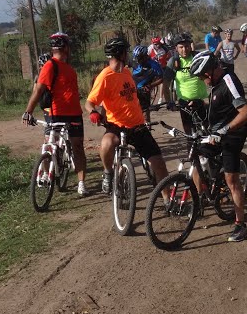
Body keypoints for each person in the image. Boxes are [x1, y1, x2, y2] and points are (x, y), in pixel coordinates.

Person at [85, 36, 170, 196]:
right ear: (121, 54)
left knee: (158, 163)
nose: (129, 54)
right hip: (117, 125)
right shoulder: (105, 76)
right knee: (106, 143)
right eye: (126, 51)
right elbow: (89, 102)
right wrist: (94, 112)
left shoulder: (126, 73)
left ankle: (167, 200)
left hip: (137, 125)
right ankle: (108, 172)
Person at [188, 50, 247, 242]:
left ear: (209, 72)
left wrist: (224, 130)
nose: (202, 81)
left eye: (201, 77)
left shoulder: (229, 81)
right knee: (198, 156)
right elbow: (221, 101)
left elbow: (246, 113)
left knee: (231, 178)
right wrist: (201, 103)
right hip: (218, 131)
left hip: (235, 132)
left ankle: (241, 225)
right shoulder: (216, 83)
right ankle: (199, 200)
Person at [22, 32, 88, 195]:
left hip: (74, 114)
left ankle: (81, 183)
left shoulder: (69, 69)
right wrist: (28, 111)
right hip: (57, 114)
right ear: (65, 47)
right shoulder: (50, 66)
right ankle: (47, 173)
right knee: (51, 144)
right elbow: (38, 90)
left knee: (77, 147)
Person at [167, 32, 208, 134]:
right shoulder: (173, 61)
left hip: (202, 101)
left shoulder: (198, 57)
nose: (184, 49)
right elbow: (165, 83)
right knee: (189, 135)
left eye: (187, 46)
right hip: (184, 104)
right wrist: (170, 102)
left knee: (207, 132)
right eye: (181, 47)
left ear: (191, 46)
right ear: (176, 48)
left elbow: (210, 78)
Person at [131, 44, 163, 121]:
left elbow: (161, 78)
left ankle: (147, 128)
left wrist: (150, 85)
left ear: (145, 56)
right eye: (136, 58)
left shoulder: (153, 65)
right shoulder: (134, 61)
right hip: (131, 90)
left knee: (145, 112)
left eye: (139, 58)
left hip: (144, 91)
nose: (137, 60)